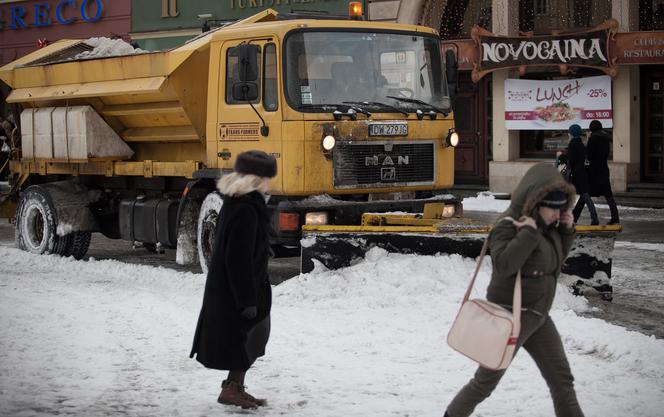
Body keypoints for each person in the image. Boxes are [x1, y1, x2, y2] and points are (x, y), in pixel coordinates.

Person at [445, 163, 585, 417]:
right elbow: (504, 265)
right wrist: (529, 234)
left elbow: (554, 266)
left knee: (562, 381)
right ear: (535, 202)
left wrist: (566, 231)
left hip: (538, 316)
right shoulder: (508, 226)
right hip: (509, 317)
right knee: (483, 385)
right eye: (552, 208)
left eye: (561, 208)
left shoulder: (551, 229)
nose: (556, 214)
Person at [190, 150, 277, 409]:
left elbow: (241, 247)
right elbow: (237, 258)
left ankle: (233, 387)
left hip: (234, 289)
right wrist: (246, 299)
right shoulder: (246, 209)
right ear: (255, 178)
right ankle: (231, 390)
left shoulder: (240, 203)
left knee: (249, 338)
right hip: (236, 291)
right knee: (247, 337)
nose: (270, 183)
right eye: (266, 177)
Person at [587, 120, 619, 224]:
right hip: (604, 168)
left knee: (586, 194)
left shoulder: (593, 139)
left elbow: (590, 155)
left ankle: (593, 218)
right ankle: (615, 217)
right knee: (608, 195)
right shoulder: (606, 138)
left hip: (594, 170)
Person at [567, 124, 598, 225]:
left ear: (572, 134)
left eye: (569, 133)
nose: (568, 135)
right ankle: (573, 218)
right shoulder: (581, 144)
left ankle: (594, 218)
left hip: (576, 175)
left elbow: (571, 161)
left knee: (584, 196)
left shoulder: (572, 145)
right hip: (583, 173)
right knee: (583, 196)